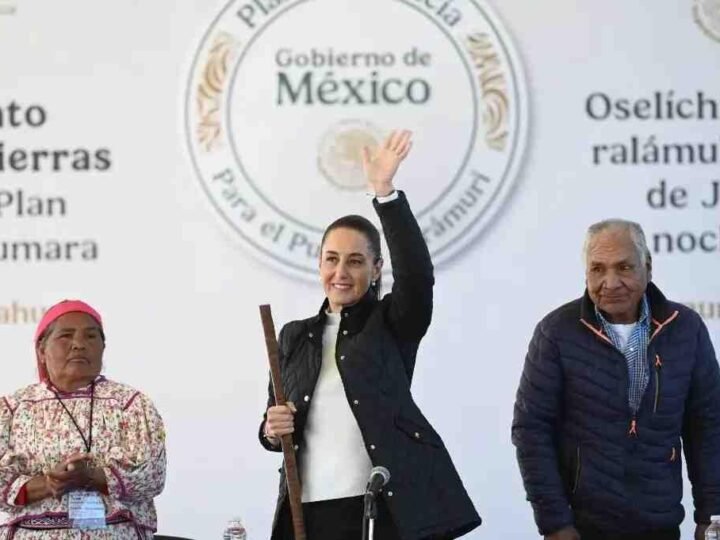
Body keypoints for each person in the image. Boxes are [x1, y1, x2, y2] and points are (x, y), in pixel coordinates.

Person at [259, 130, 481, 539]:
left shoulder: (392, 322)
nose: (341, 273)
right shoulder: (292, 336)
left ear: (377, 269)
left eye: (356, 261)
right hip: (305, 514)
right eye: (332, 259)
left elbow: (417, 276)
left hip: (379, 512)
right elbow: (273, 428)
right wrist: (272, 429)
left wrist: (385, 194)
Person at [512, 219, 720, 540]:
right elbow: (531, 430)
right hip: (583, 528)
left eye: (624, 267)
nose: (610, 282)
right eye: (598, 269)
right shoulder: (556, 333)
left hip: (661, 525)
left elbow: (707, 428)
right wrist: (554, 522)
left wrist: (712, 515)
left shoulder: (686, 329)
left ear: (647, 268)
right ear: (586, 273)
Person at [0, 300, 167, 539]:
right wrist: (48, 484)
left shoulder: (131, 404)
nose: (79, 345)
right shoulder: (12, 408)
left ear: (103, 348)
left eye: (90, 337)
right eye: (66, 336)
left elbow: (152, 477)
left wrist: (93, 477)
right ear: (41, 350)